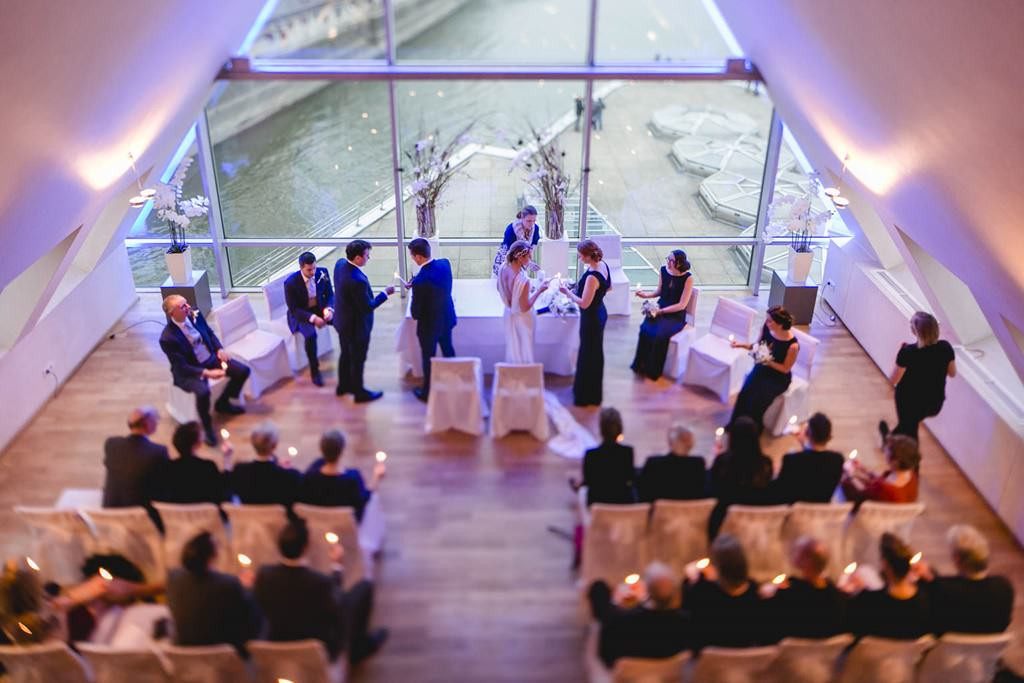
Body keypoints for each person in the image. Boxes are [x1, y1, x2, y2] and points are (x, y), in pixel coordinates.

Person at [253, 518, 388, 663]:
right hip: (318, 645)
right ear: (305, 548)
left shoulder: (263, 575)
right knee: (364, 587)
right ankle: (359, 648)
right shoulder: (319, 582)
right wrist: (337, 567)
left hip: (277, 637)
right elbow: (337, 605)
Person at [159, 295, 250, 446]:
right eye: (182, 307)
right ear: (172, 314)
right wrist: (206, 373)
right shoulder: (167, 338)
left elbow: (209, 333)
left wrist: (219, 349)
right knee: (203, 392)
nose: (188, 307)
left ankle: (223, 402)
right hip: (190, 370)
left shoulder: (195, 314)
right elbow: (181, 365)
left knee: (243, 371)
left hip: (211, 357)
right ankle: (207, 428)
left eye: (186, 303)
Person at [166, 531, 261, 654]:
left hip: (183, 648)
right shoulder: (229, 583)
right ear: (212, 556)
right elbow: (246, 616)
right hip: (222, 651)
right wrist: (247, 588)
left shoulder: (174, 577)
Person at [588, 562, 691, 668]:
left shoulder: (624, 622)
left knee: (598, 586)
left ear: (648, 590)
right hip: (671, 677)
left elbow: (607, 656)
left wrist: (616, 604)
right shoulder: (685, 623)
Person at [915, 524, 1014, 634]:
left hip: (946, 648)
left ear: (957, 559)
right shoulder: (1004, 587)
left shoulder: (943, 590)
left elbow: (928, 618)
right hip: (988, 649)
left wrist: (926, 579)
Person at [333, 239, 395, 403]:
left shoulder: (340, 265)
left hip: (342, 320)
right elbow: (367, 307)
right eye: (367, 255)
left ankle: (343, 386)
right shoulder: (357, 281)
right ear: (358, 258)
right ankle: (359, 392)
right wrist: (385, 293)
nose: (369, 257)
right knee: (358, 358)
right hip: (356, 327)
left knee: (345, 354)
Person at [880, 311, 956, 443]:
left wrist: (900, 355)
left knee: (910, 431)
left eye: (911, 324)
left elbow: (894, 380)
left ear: (916, 331)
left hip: (909, 401)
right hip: (934, 403)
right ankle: (889, 439)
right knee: (908, 424)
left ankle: (911, 460)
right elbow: (952, 373)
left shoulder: (907, 352)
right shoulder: (945, 347)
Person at [682, 533, 767, 648]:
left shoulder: (703, 592)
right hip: (743, 658)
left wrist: (689, 581)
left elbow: (688, 614)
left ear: (718, 568)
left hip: (707, 661)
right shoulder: (754, 591)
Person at [847, 533, 931, 639]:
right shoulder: (924, 600)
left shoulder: (870, 602)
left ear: (886, 564)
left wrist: (859, 592)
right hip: (908, 655)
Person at [764, 537, 848, 640]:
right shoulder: (834, 593)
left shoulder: (791, 594)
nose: (792, 554)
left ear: (807, 561)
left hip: (793, 654)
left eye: (797, 551)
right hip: (827, 655)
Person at [730, 306, 799, 428]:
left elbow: (785, 369)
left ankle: (753, 429)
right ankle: (735, 424)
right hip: (762, 369)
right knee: (744, 394)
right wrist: (739, 345)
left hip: (778, 378)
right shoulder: (766, 329)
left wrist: (767, 361)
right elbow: (757, 346)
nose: (766, 323)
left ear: (780, 324)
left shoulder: (793, 346)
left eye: (770, 321)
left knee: (757, 402)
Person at [405, 238, 456, 402]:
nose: (413, 259)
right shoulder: (445, 264)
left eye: (413, 256)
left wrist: (415, 289)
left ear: (419, 257)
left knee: (428, 357)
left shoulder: (420, 281)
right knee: (448, 351)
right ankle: (453, 382)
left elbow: (415, 313)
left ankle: (427, 392)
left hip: (429, 326)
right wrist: (417, 282)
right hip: (446, 317)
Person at [560, 239, 611, 407]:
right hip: (601, 311)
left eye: (581, 256)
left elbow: (584, 303)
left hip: (591, 319)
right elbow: (608, 288)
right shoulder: (603, 264)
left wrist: (568, 292)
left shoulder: (591, 277)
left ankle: (585, 395)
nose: (580, 259)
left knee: (588, 355)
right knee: (595, 354)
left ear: (589, 255)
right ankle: (593, 392)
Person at [631, 250, 694, 380]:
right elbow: (659, 291)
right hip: (660, 307)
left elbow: (682, 305)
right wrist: (646, 295)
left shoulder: (688, 278)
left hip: (675, 314)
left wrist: (662, 312)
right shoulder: (663, 270)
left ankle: (652, 369)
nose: (668, 262)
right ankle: (641, 364)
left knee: (658, 334)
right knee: (644, 329)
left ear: (679, 263)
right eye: (668, 259)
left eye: (671, 260)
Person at [298, 429, 385, 522]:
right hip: (346, 530)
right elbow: (365, 499)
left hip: (317, 529)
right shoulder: (352, 479)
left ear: (321, 449)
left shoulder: (310, 477)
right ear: (342, 450)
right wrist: (376, 478)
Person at [708, 416, 774, 537]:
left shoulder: (723, 462)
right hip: (755, 523)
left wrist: (717, 458)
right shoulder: (765, 464)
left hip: (724, 523)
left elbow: (713, 487)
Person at [102, 406, 169, 513]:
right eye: (156, 419)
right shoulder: (158, 452)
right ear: (147, 424)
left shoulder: (111, 443)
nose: (157, 423)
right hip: (139, 516)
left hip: (110, 512)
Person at [284, 252, 335, 386]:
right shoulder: (290, 283)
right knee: (310, 336)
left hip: (319, 307)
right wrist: (313, 318)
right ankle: (314, 369)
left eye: (314, 268)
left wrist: (329, 309)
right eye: (309, 270)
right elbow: (294, 309)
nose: (313, 272)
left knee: (343, 321)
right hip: (302, 314)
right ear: (301, 267)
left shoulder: (322, 273)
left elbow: (330, 294)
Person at [496, 240, 551, 364]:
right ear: (520, 257)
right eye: (529, 257)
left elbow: (499, 288)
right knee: (525, 349)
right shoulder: (523, 281)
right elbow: (525, 307)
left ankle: (513, 375)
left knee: (513, 348)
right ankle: (525, 375)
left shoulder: (503, 267)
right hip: (523, 318)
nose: (531, 259)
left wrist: (515, 296)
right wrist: (540, 290)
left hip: (508, 313)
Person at [772, 412, 844, 504]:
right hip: (821, 507)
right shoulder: (837, 460)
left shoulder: (791, 460)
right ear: (830, 437)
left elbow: (781, 488)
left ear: (807, 434)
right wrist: (804, 446)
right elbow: (816, 462)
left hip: (794, 508)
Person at [227, 421, 300, 507]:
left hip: (249, 518)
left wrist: (227, 458)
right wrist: (287, 469)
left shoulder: (240, 470)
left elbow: (228, 487)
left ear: (253, 443)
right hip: (278, 519)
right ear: (275, 445)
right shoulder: (289, 475)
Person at [156, 422, 228, 505]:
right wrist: (227, 460)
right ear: (196, 444)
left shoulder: (166, 469)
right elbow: (223, 493)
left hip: (177, 517)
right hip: (206, 516)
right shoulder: (207, 467)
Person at [576, 407, 636, 506]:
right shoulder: (627, 452)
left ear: (601, 430)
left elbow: (588, 482)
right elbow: (629, 478)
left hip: (597, 505)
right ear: (620, 429)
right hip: (622, 503)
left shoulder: (591, 455)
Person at [841, 434, 920, 506]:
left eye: (888, 449)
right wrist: (864, 470)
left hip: (869, 514)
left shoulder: (884, 489)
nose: (885, 450)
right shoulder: (911, 475)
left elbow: (857, 496)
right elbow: (881, 481)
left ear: (895, 462)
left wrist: (848, 475)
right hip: (895, 515)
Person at [636, 423, 707, 502]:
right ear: (691, 444)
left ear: (670, 442)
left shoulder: (654, 464)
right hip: (692, 513)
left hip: (660, 513)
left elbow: (643, 494)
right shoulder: (698, 464)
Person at [492, 206, 541, 277]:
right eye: (529, 221)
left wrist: (529, 257)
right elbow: (510, 253)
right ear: (522, 217)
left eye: (534, 220)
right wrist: (527, 262)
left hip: (522, 260)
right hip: (506, 259)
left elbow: (534, 243)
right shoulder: (511, 230)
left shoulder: (535, 228)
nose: (532, 224)